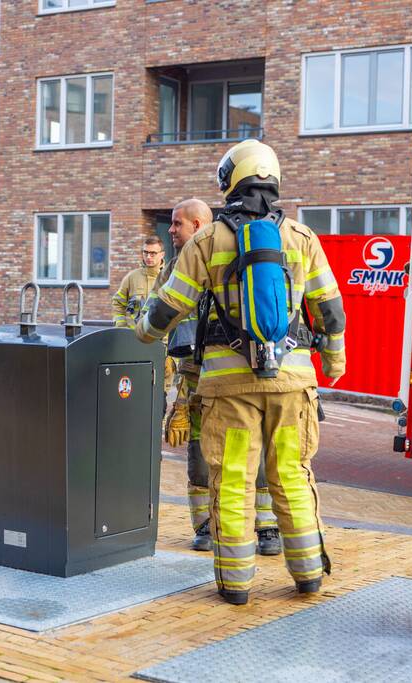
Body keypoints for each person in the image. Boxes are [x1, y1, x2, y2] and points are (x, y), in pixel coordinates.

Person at [136, 140, 347, 605]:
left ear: (231, 181)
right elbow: (331, 311)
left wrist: (144, 332)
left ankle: (236, 583)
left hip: (229, 389)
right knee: (291, 473)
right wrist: (333, 361)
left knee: (233, 478)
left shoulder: (208, 241)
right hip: (293, 385)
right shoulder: (302, 238)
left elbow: (171, 306)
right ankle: (308, 574)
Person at [155, 199, 281, 556]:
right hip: (197, 376)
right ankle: (207, 525)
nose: (171, 230)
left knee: (249, 446)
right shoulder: (176, 266)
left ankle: (265, 525)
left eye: (177, 224)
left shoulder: (213, 253)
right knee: (199, 449)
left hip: (232, 372)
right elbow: (163, 312)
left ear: (197, 225)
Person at [111, 236, 165, 328]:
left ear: (162, 254)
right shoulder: (131, 277)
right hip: (133, 336)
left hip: (160, 337)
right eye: (145, 252)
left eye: (153, 253)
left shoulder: (169, 278)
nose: (148, 257)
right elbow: (118, 303)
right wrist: (121, 326)